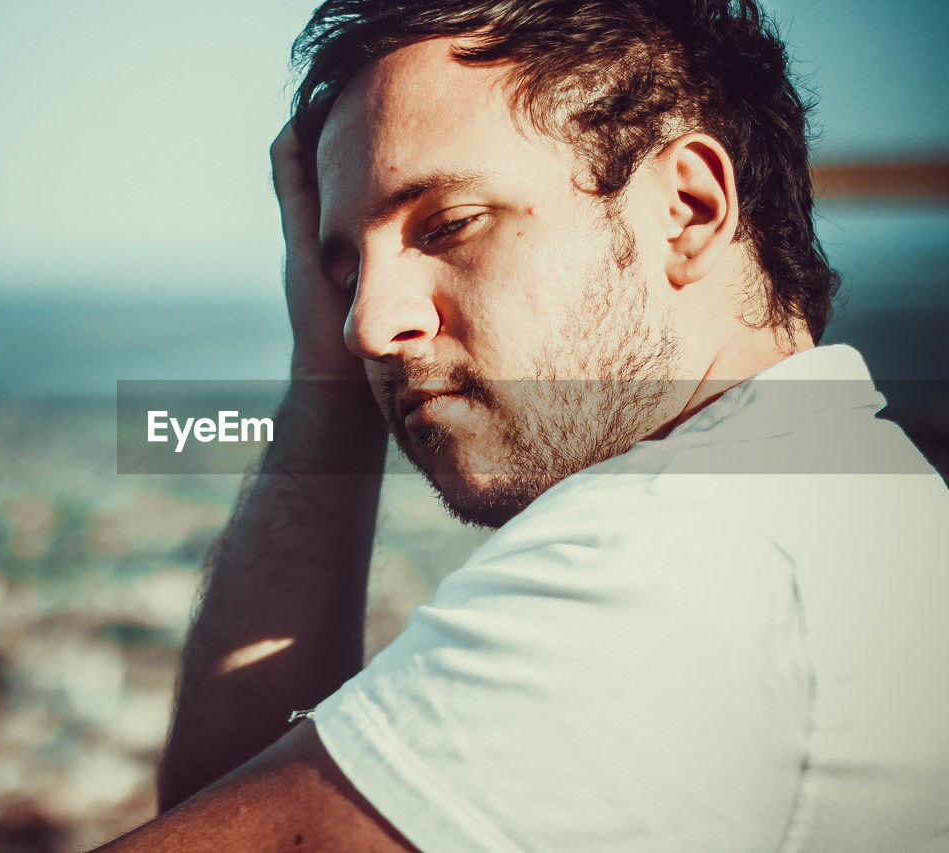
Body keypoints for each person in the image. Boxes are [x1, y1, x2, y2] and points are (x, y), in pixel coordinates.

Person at [94, 1, 949, 850]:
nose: (363, 323)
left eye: (451, 224)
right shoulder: (837, 496)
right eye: (346, 270)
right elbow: (234, 808)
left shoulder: (677, 560)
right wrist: (326, 385)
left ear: (686, 208)